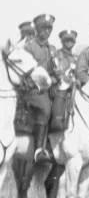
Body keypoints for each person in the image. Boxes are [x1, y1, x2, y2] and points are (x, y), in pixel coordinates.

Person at [23, 14, 58, 162]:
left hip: (48, 87)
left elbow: (56, 70)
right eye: (44, 28)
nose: (47, 31)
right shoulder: (29, 47)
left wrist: (56, 79)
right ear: (37, 29)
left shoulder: (52, 48)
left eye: (49, 28)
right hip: (32, 89)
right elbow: (24, 74)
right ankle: (38, 150)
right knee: (46, 108)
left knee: (63, 107)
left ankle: (55, 147)